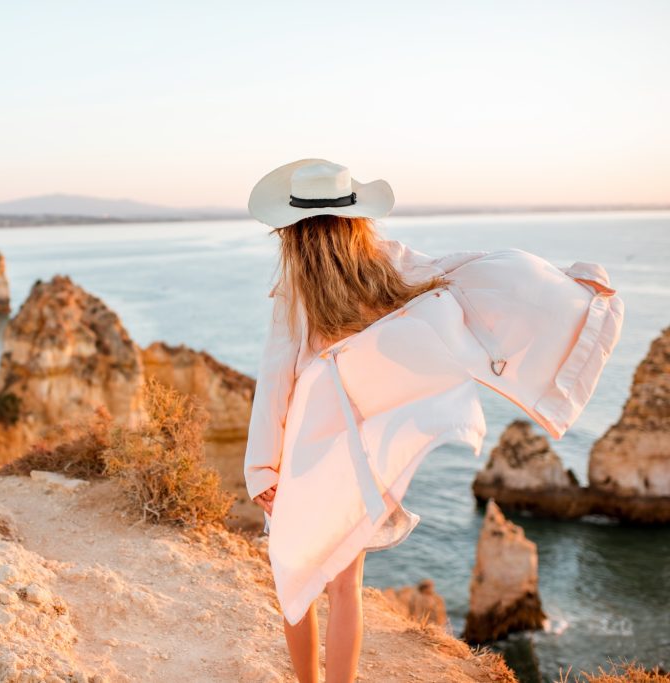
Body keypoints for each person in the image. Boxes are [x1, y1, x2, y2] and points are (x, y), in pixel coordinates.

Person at [242, 159, 623, 683]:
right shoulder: (385, 263)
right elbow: (465, 270)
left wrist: (263, 469)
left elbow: (275, 376)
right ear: (354, 214)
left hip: (307, 441)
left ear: (291, 226)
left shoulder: (295, 286)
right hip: (362, 439)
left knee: (295, 576)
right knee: (345, 587)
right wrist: (567, 283)